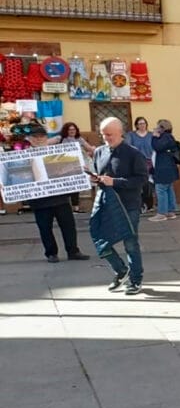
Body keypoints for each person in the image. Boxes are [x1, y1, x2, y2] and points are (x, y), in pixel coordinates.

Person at [88, 117, 150, 295]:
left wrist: (114, 182)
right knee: (99, 237)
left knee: (130, 242)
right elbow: (99, 174)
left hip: (128, 204)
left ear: (120, 133)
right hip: (105, 202)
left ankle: (135, 279)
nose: (106, 138)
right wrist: (95, 179)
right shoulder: (99, 151)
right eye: (103, 135)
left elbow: (141, 179)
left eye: (110, 135)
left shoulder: (133, 153)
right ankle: (121, 270)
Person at [27, 124, 90, 263]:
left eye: (42, 136)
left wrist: (79, 169)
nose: (38, 139)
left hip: (60, 197)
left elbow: (68, 168)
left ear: (46, 138)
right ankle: (51, 253)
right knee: (45, 228)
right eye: (35, 137)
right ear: (29, 139)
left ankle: (73, 251)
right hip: (39, 199)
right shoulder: (24, 155)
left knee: (68, 225)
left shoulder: (56, 151)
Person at [148, 119, 180, 221]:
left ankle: (162, 213)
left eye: (158, 127)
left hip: (164, 169)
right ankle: (171, 211)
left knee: (161, 190)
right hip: (168, 169)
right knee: (168, 189)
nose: (156, 128)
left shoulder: (165, 137)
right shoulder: (169, 137)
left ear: (162, 128)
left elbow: (157, 147)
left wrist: (154, 137)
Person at [60, 123, 96, 212]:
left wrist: (94, 149)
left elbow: (89, 148)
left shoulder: (79, 139)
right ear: (66, 131)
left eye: (74, 129)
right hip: (64, 165)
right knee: (66, 187)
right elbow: (47, 144)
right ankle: (65, 207)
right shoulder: (60, 139)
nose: (72, 131)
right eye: (70, 130)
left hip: (77, 165)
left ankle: (76, 207)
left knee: (76, 186)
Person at [127, 117, 154, 213]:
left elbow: (155, 147)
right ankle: (141, 205)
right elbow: (128, 146)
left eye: (144, 123)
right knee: (139, 184)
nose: (142, 125)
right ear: (136, 125)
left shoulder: (151, 135)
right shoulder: (131, 135)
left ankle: (149, 204)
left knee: (148, 184)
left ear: (146, 124)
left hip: (150, 162)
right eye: (139, 124)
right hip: (137, 162)